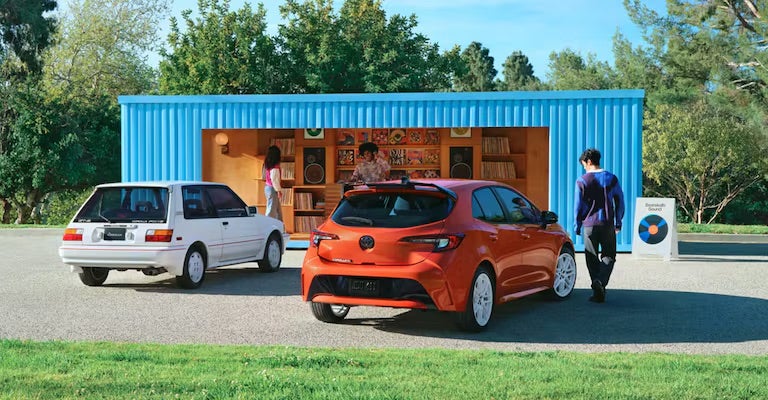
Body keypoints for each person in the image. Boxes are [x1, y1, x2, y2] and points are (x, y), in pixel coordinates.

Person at [574, 148, 625, 303]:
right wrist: (618, 222)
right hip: (607, 224)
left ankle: (597, 289)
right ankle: (601, 283)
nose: (583, 167)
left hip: (589, 225)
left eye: (583, 164)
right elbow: (620, 201)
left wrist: (576, 225)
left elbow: (578, 205)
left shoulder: (582, 180)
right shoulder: (612, 178)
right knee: (609, 255)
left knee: (591, 256)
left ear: (589, 162)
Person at [263, 145, 283, 221]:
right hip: (272, 189)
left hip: (269, 188)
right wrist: (278, 190)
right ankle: (268, 227)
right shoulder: (275, 167)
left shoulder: (269, 166)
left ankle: (280, 227)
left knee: (277, 210)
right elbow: (274, 180)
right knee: (271, 210)